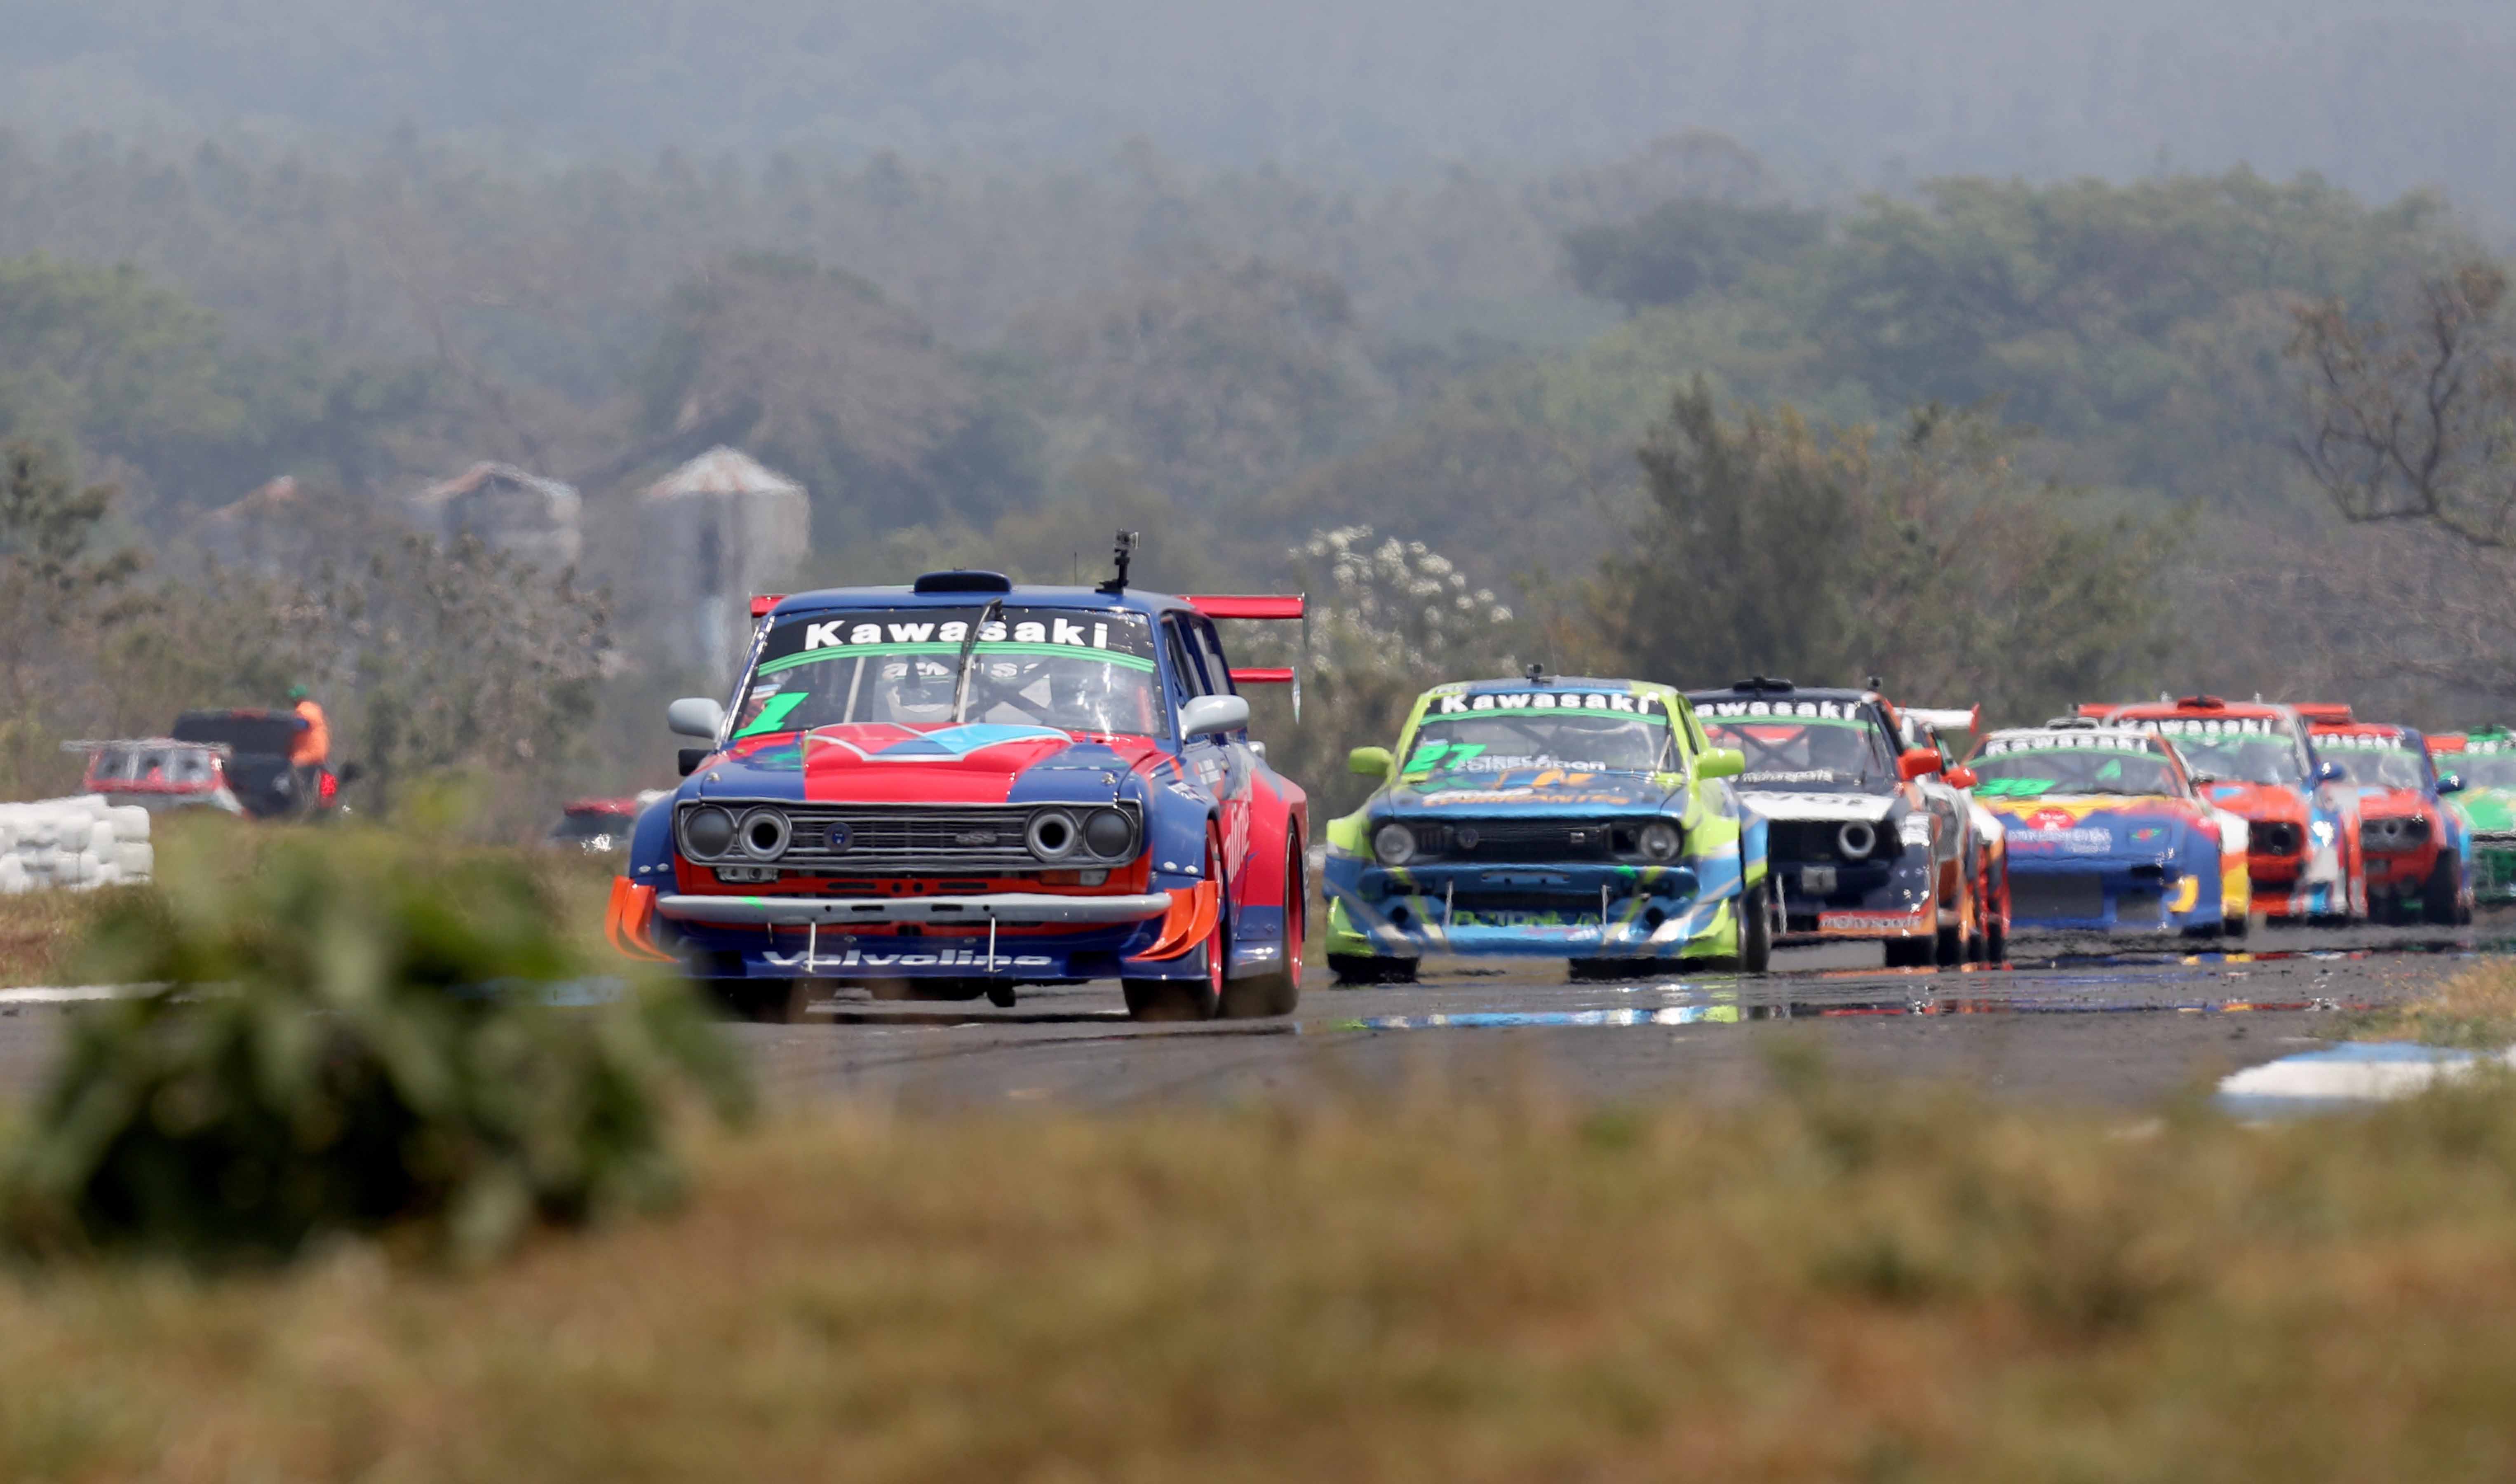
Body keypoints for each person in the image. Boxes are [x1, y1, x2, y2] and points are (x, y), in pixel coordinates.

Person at [286, 684, 330, 809]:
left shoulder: (304, 710)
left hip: (306, 755)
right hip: (320, 755)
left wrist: (287, 725)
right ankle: (322, 805)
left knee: (291, 776)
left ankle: (299, 806)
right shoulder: (315, 709)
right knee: (318, 782)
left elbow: (302, 724)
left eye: (294, 698)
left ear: (299, 698)